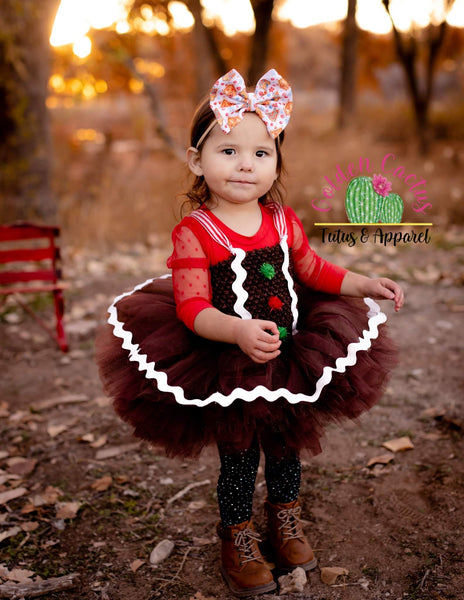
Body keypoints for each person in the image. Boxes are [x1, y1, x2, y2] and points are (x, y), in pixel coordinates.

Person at [96, 68, 403, 598]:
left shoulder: (282, 219)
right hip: (228, 356)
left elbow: (313, 270)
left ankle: (285, 518)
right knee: (238, 454)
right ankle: (235, 533)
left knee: (286, 445)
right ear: (197, 160)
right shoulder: (196, 231)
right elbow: (191, 306)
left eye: (262, 153)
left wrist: (363, 284)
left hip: (290, 353)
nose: (245, 164)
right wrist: (235, 330)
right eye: (229, 150)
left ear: (277, 162)